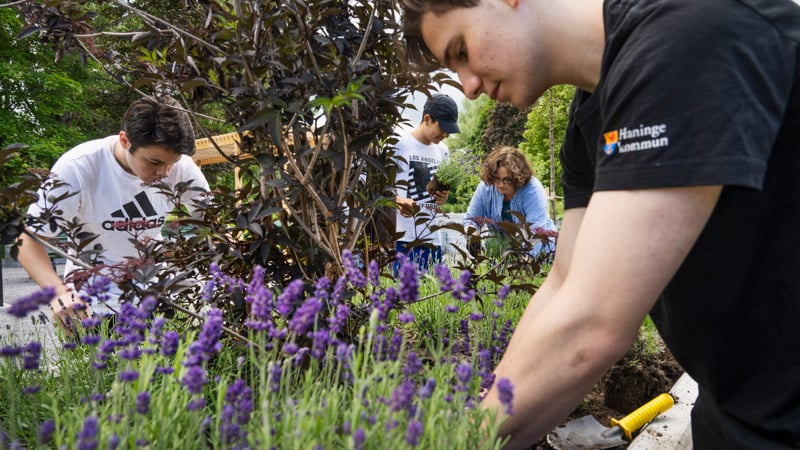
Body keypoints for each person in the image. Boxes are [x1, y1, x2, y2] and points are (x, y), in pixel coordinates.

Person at [399, 0, 800, 448]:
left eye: (461, 51)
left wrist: (454, 441)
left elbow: (594, 324)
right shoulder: (588, 122)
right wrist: (489, 406)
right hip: (736, 409)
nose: (467, 87)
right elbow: (564, 283)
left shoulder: (688, 34)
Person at [16, 95, 210, 332]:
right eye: (154, 162)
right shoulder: (77, 168)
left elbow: (211, 224)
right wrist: (59, 294)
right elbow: (27, 239)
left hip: (154, 296)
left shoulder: (181, 168)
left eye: (173, 162)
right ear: (125, 140)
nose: (165, 172)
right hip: (90, 302)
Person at [394, 93, 459, 271]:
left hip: (433, 239)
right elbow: (380, 189)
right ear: (427, 119)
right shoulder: (399, 145)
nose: (446, 135)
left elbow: (442, 194)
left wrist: (443, 196)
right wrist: (398, 200)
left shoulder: (443, 151)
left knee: (430, 293)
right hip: (404, 239)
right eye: (443, 128)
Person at [463, 145, 557, 258]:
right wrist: (472, 235)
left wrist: (522, 263)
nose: (501, 185)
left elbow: (535, 233)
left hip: (541, 253)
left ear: (518, 177)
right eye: (497, 179)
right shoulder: (486, 188)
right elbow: (471, 219)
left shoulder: (532, 190)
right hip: (500, 251)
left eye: (507, 180)